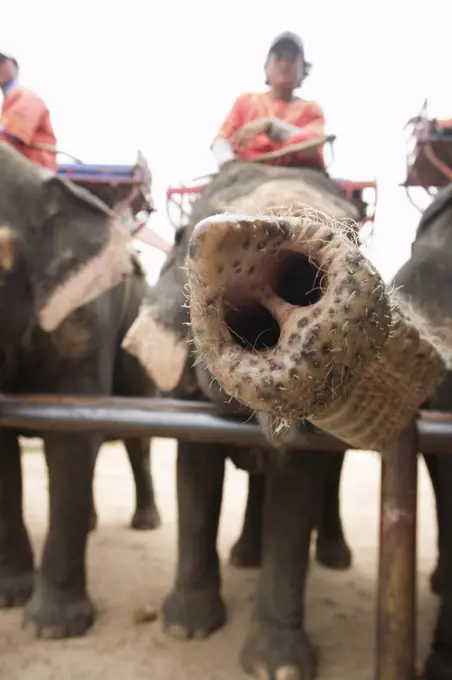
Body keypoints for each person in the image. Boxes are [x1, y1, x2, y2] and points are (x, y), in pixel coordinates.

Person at [211, 32, 326, 170]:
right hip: (246, 173)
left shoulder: (311, 109)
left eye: (292, 59)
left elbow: (313, 146)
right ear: (266, 67)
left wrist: (272, 126)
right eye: (278, 58)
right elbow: (222, 138)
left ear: (303, 71)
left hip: (298, 174)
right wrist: (226, 161)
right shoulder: (246, 102)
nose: (284, 65)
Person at [0, 49, 57, 171]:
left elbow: (10, 136)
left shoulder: (26, 96)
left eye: (2, 62)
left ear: (15, 67)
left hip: (35, 173)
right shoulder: (9, 100)